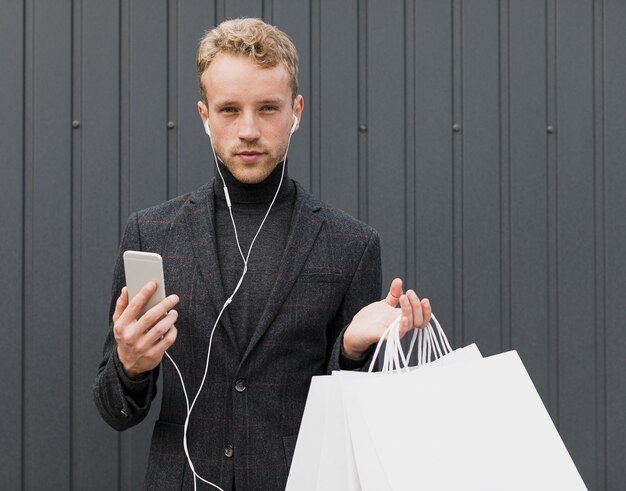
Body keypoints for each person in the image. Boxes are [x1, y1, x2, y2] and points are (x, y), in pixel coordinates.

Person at [93, 17, 431, 490]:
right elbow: (115, 411)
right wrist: (130, 364)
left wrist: (353, 351)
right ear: (204, 116)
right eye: (229, 110)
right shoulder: (152, 233)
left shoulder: (351, 245)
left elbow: (359, 419)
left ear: (296, 111)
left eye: (267, 108)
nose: (248, 129)